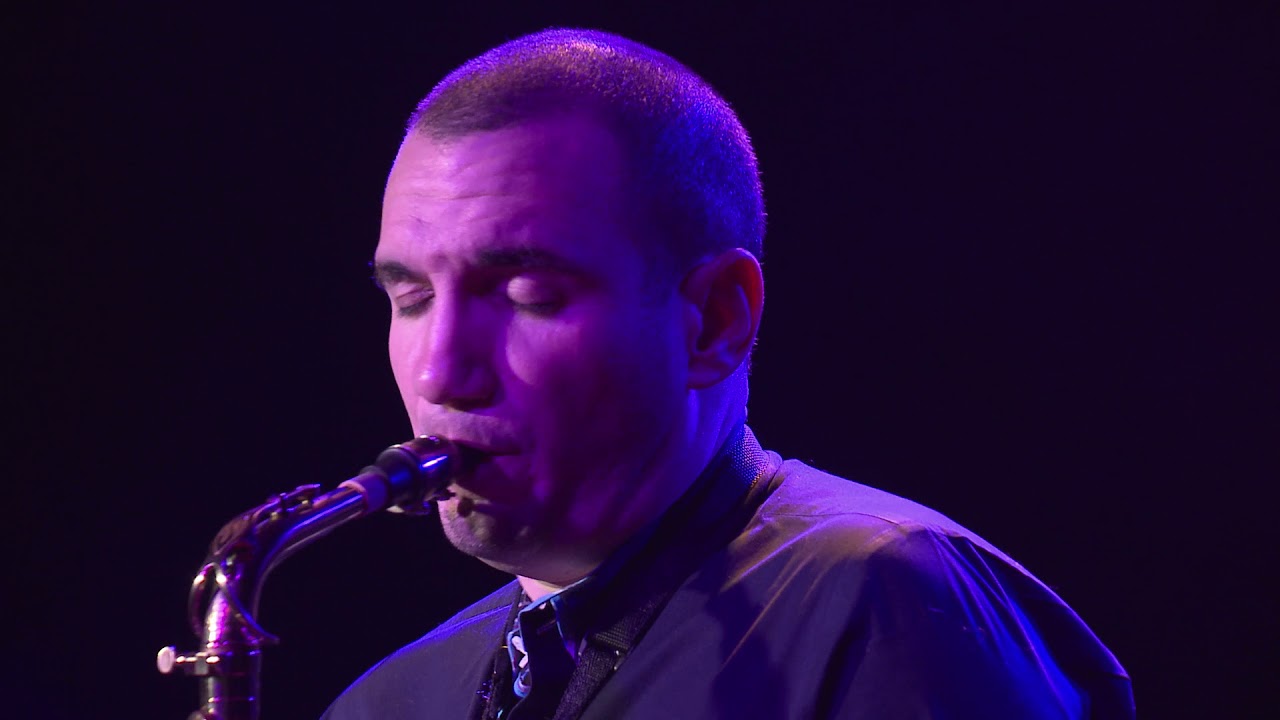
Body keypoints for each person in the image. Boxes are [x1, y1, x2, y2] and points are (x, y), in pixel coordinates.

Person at [323, 28, 1133, 720]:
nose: (440, 373)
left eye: (527, 295)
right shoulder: (388, 702)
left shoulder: (888, 601)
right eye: (413, 299)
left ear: (715, 319)